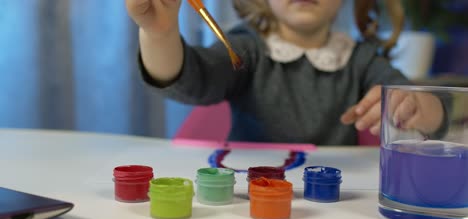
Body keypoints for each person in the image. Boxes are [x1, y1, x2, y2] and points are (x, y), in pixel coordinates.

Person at [125, 0, 447, 145]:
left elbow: (425, 109)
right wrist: (159, 34)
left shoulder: (359, 60)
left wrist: (418, 107)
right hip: (248, 202)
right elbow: (192, 80)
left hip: (333, 209)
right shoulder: (246, 49)